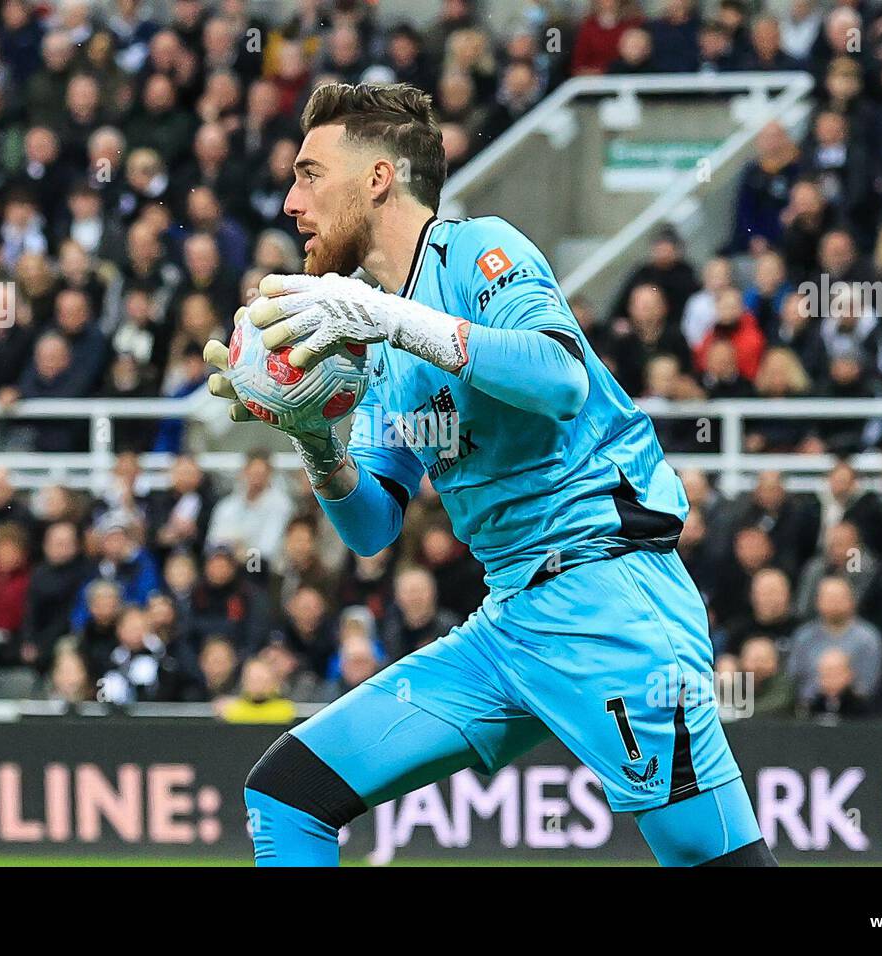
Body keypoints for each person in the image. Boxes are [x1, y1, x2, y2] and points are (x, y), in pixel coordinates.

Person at [203, 83, 773, 867]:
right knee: (288, 791)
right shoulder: (372, 334)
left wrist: (392, 321)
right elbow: (373, 526)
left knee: (714, 863)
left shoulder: (475, 253)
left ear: (378, 178)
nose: (293, 200)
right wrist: (312, 438)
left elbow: (559, 376)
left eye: (309, 174)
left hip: (608, 600)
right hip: (506, 624)